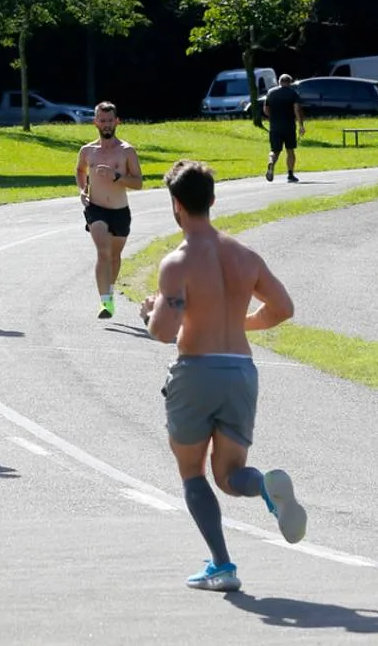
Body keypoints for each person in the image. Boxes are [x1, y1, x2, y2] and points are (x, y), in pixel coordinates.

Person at [139, 159, 306, 592]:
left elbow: (162, 332)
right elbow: (283, 309)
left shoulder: (176, 262)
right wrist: (237, 321)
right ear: (212, 200)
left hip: (195, 371)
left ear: (175, 205)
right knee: (232, 476)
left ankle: (222, 565)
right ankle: (267, 489)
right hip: (240, 370)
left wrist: (151, 311)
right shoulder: (244, 255)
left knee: (192, 472)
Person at [75, 101, 142, 319]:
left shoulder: (127, 151)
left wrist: (117, 177)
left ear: (117, 122)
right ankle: (105, 302)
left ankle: (110, 293)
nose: (106, 125)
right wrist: (82, 189)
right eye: (102, 121)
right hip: (96, 209)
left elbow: (138, 182)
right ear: (95, 122)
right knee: (103, 251)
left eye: (109, 120)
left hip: (120, 211)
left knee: (114, 256)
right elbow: (79, 170)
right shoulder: (87, 151)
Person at [263, 74, 304, 183]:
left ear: (279, 82)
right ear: (290, 82)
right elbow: (297, 110)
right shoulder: (293, 93)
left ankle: (271, 162)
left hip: (275, 126)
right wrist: (301, 125)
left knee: (274, 150)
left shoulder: (271, 92)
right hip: (289, 125)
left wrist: (272, 118)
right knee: (290, 150)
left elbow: (266, 109)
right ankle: (290, 174)